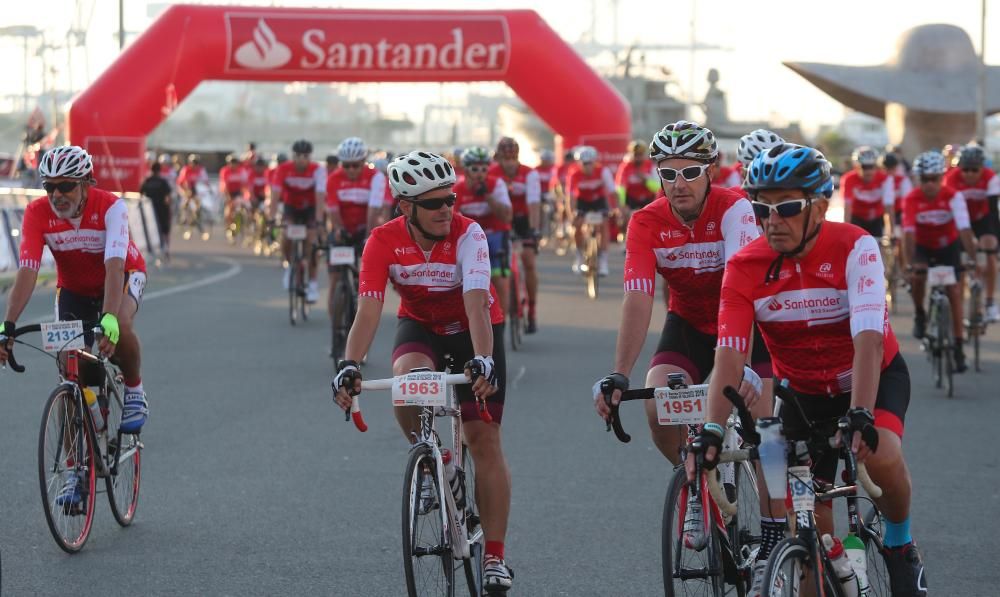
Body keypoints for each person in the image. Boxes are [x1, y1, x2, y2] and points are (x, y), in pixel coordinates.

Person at [694, 143, 926, 596]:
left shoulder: (855, 246)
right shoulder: (744, 266)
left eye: (787, 207)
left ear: (820, 205)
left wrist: (860, 412)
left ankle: (900, 541)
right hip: (802, 393)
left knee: (879, 455)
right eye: (761, 208)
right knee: (808, 521)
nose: (772, 220)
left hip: (871, 378)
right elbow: (730, 354)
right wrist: (712, 430)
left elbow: (869, 338)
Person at [592, 120, 774, 591]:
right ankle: (695, 484)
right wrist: (618, 374)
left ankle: (775, 534)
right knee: (658, 404)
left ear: (711, 170)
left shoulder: (735, 210)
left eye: (690, 172)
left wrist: (744, 366)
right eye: (667, 174)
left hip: (747, 322)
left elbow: (742, 290)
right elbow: (637, 297)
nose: (678, 184)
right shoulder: (646, 221)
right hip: (690, 325)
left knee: (763, 426)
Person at [332, 150, 514, 592]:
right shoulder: (381, 241)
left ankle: (493, 556)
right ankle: (433, 459)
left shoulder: (469, 234)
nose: (446, 210)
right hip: (421, 326)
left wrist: (484, 358)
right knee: (407, 383)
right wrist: (349, 364)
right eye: (433, 204)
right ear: (405, 208)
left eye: (449, 199)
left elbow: (476, 301)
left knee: (484, 439)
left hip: (476, 330)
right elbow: (370, 310)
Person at [0, 146, 149, 505]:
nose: (56, 195)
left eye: (65, 186)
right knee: (69, 373)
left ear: (85, 184)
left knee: (121, 324)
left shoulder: (111, 207)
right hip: (74, 291)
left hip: (123, 278)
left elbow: (115, 266)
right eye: (49, 186)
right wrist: (7, 326)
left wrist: (109, 319)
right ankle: (75, 472)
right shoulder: (38, 214)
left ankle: (134, 391)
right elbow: (28, 272)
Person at [903, 151, 979, 372]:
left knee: (954, 292)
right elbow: (908, 235)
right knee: (918, 277)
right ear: (919, 179)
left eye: (934, 179)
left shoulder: (953, 196)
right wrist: (909, 264)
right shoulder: (911, 198)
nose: (929, 185)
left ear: (941, 178)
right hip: (922, 248)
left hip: (948, 247)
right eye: (924, 179)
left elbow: (964, 229)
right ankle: (919, 313)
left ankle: (957, 347)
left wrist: (972, 259)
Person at [324, 136, 386, 340]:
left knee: (363, 279)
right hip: (343, 228)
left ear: (363, 162)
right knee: (334, 278)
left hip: (364, 228)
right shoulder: (334, 178)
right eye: (346, 165)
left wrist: (368, 235)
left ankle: (361, 323)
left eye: (355, 165)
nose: (351, 170)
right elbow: (333, 210)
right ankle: (336, 330)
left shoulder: (375, 177)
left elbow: (374, 209)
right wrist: (339, 230)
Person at [490, 137, 542, 333]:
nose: (510, 163)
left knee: (528, 261)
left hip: (524, 220)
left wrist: (534, 230)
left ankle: (532, 310)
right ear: (499, 158)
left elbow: (534, 203)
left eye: (513, 158)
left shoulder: (529, 174)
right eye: (506, 158)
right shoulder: (492, 173)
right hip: (501, 221)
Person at [943, 144, 1000, 322]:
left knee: (989, 248)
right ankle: (958, 306)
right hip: (959, 220)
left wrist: (995, 244)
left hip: (983, 219)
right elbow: (949, 212)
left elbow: (993, 212)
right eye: (965, 169)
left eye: (974, 170)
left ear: (982, 168)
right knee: (958, 260)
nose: (969, 174)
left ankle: (990, 302)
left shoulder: (990, 177)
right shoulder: (951, 178)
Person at [455, 147, 513, 316]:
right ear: (466, 170)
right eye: (475, 169)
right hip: (470, 239)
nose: (480, 173)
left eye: (484, 169)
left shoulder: (496, 184)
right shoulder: (457, 189)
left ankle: (500, 323)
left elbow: (507, 216)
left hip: (495, 234)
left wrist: (487, 196)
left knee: (499, 280)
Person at [268, 140, 325, 303]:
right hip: (291, 207)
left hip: (310, 209)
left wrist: (319, 221)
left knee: (312, 245)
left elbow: (320, 197)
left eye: (305, 156)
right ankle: (290, 265)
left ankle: (313, 284)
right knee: (286, 236)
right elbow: (275, 195)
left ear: (310, 157)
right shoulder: (283, 169)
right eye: (298, 156)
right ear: (293, 156)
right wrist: (271, 218)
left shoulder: (317, 170)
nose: (301, 159)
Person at [566, 146, 616, 275]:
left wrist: (616, 208)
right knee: (577, 226)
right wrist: (571, 215)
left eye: (590, 163)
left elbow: (612, 192)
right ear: (579, 163)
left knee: (604, 225)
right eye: (584, 164)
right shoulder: (574, 173)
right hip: (582, 202)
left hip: (599, 201)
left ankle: (603, 261)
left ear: (594, 162)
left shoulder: (603, 171)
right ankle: (579, 257)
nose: (587, 166)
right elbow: (570, 197)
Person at [841, 146, 895, 237]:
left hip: (877, 218)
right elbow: (847, 207)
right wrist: (846, 231)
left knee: (879, 245)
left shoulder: (885, 179)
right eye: (864, 167)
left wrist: (891, 232)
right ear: (857, 166)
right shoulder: (848, 179)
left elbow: (888, 207)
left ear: (876, 166)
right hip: (857, 217)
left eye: (871, 167)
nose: (868, 171)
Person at [615, 139, 657, 238]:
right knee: (626, 216)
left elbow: (658, 187)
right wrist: (622, 206)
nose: (638, 158)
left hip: (648, 198)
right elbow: (621, 188)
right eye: (635, 155)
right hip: (631, 198)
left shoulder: (650, 165)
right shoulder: (625, 167)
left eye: (640, 155)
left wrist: (645, 180)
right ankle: (625, 238)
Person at [140, 161, 173, 259]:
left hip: (149, 210)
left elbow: (141, 195)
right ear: (160, 170)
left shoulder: (147, 181)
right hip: (162, 209)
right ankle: (166, 250)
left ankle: (151, 250)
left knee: (151, 230)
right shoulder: (163, 182)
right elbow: (168, 198)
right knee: (165, 231)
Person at [219, 154, 248, 230]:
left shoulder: (241, 171)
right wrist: (228, 197)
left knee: (244, 206)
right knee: (229, 209)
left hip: (238, 192)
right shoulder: (225, 171)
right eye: (231, 162)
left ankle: (243, 223)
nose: (233, 164)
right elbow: (224, 185)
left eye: (235, 162)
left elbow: (245, 184)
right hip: (228, 192)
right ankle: (228, 225)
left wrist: (246, 195)